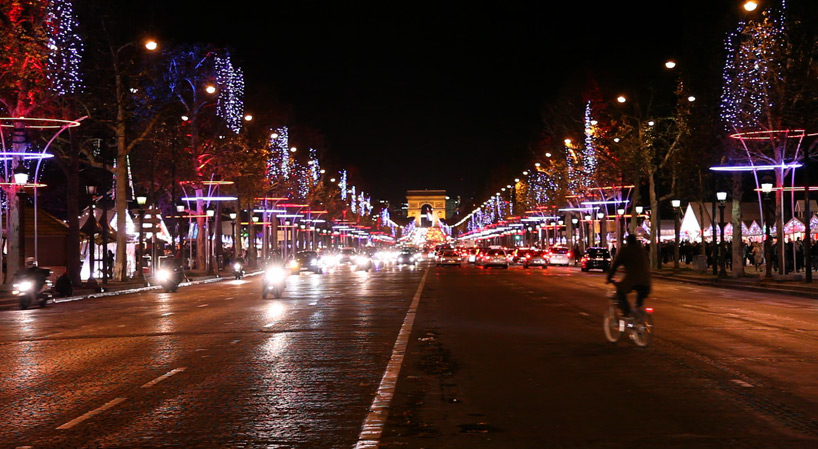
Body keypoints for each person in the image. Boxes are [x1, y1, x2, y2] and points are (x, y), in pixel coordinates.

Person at [606, 234, 651, 318]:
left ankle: (627, 313)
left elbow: (616, 265)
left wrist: (609, 277)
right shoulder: (641, 250)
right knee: (639, 301)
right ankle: (639, 315)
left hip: (633, 280)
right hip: (646, 282)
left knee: (620, 291)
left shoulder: (625, 250)